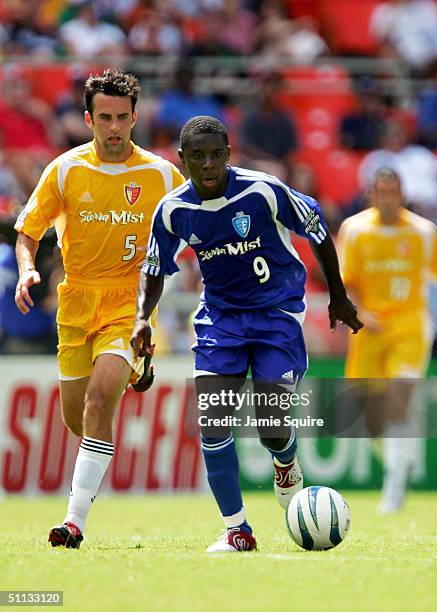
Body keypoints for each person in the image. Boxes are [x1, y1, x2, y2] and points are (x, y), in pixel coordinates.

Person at [131, 115, 362, 553]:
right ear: (182, 160)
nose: (208, 164)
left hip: (277, 314)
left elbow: (315, 227)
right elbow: (153, 268)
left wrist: (338, 295)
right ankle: (238, 530)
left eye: (217, 155)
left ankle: (285, 461)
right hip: (221, 320)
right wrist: (143, 317)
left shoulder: (262, 190)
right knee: (213, 420)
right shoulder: (174, 209)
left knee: (271, 424)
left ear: (228, 154)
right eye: (197, 157)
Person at [14, 68, 185, 548]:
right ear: (88, 119)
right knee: (81, 419)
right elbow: (27, 230)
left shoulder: (161, 174)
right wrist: (28, 268)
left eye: (123, 118)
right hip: (76, 299)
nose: (114, 127)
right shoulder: (66, 169)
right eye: (105, 118)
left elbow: (190, 226)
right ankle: (138, 369)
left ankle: (73, 521)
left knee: (98, 398)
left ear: (135, 119)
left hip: (129, 299)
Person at [338, 167, 437, 513]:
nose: (389, 199)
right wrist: (361, 313)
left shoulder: (424, 233)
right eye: (382, 192)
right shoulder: (355, 230)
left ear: (403, 194)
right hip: (369, 330)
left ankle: (394, 488)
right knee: (371, 420)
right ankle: (402, 459)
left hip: (409, 326)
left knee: (399, 399)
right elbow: (345, 282)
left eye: (394, 192)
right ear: (372, 194)